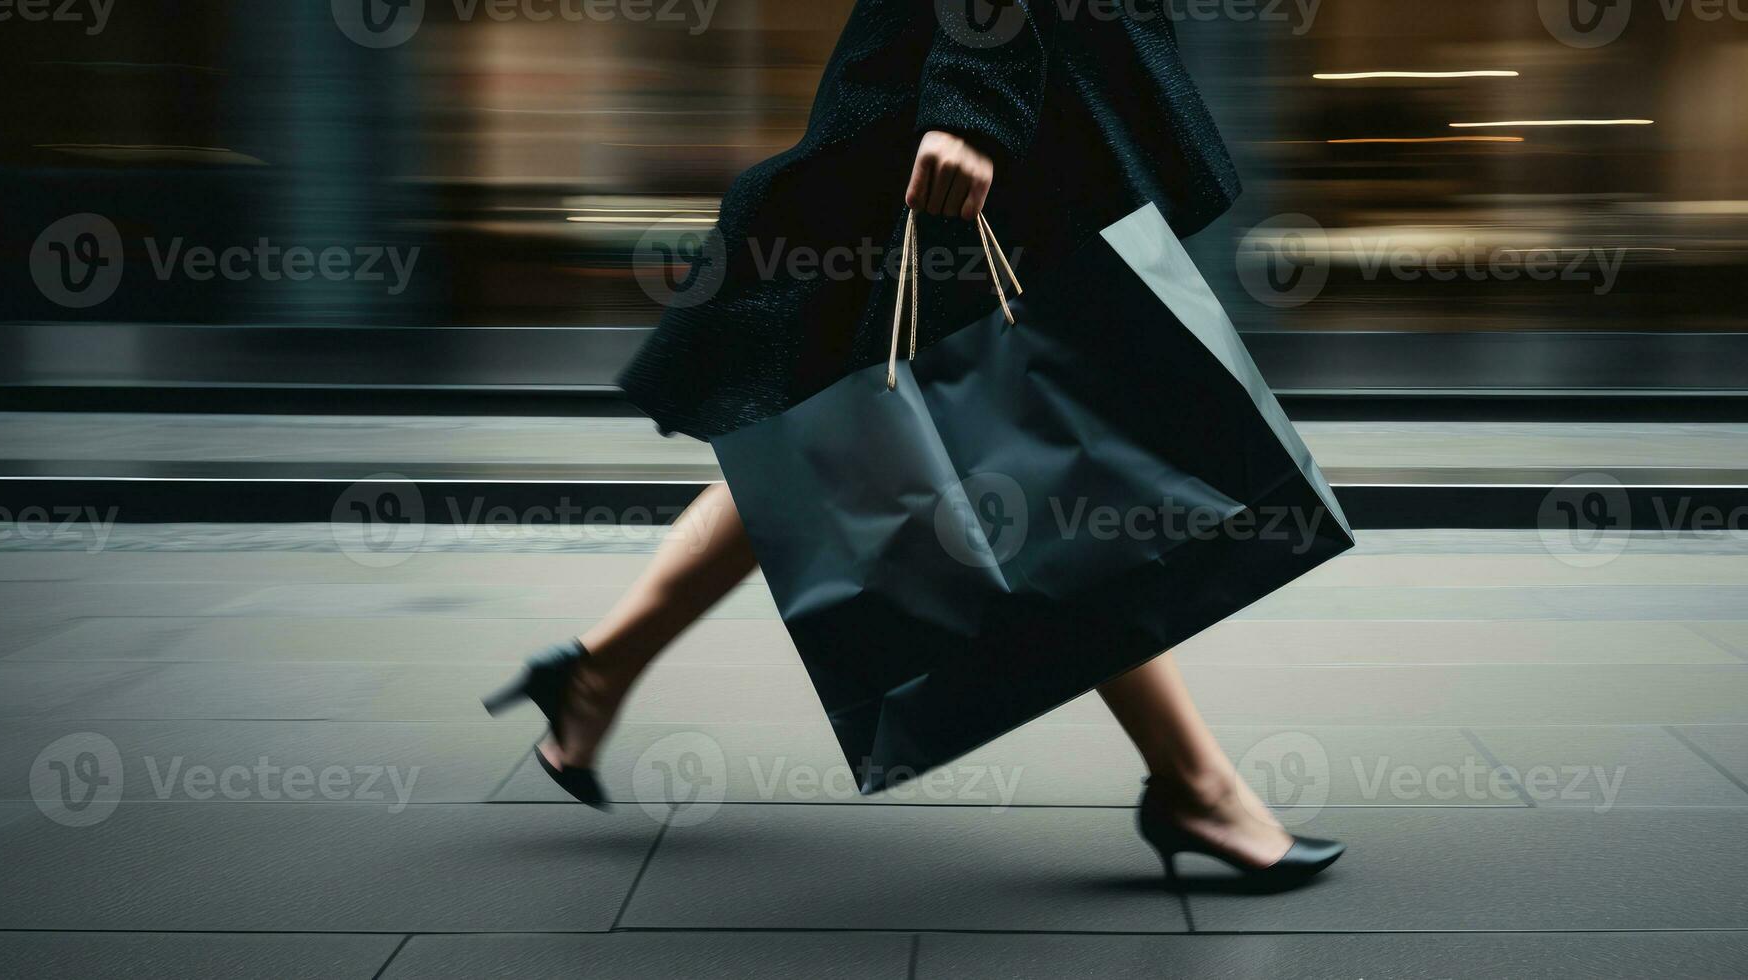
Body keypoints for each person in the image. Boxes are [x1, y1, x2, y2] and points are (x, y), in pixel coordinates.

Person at [486, 0, 1342, 890]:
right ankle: (1193, 784)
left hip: (981, 121)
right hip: (974, 138)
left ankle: (595, 669)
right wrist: (969, 104)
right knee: (1031, 458)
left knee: (841, 434)